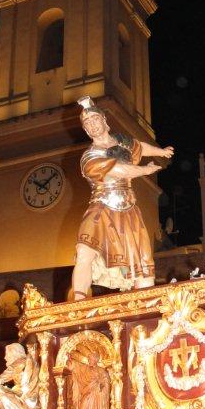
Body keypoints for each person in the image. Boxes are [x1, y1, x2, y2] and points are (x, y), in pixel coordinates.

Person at [70, 96, 174, 299]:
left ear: (104, 121)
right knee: (84, 250)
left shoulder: (122, 142)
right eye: (87, 124)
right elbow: (118, 170)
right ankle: (78, 301)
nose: (92, 125)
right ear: (85, 130)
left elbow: (140, 147)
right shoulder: (89, 156)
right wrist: (144, 170)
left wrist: (160, 151)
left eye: (94, 120)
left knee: (141, 261)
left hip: (128, 208)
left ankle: (145, 304)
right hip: (101, 207)